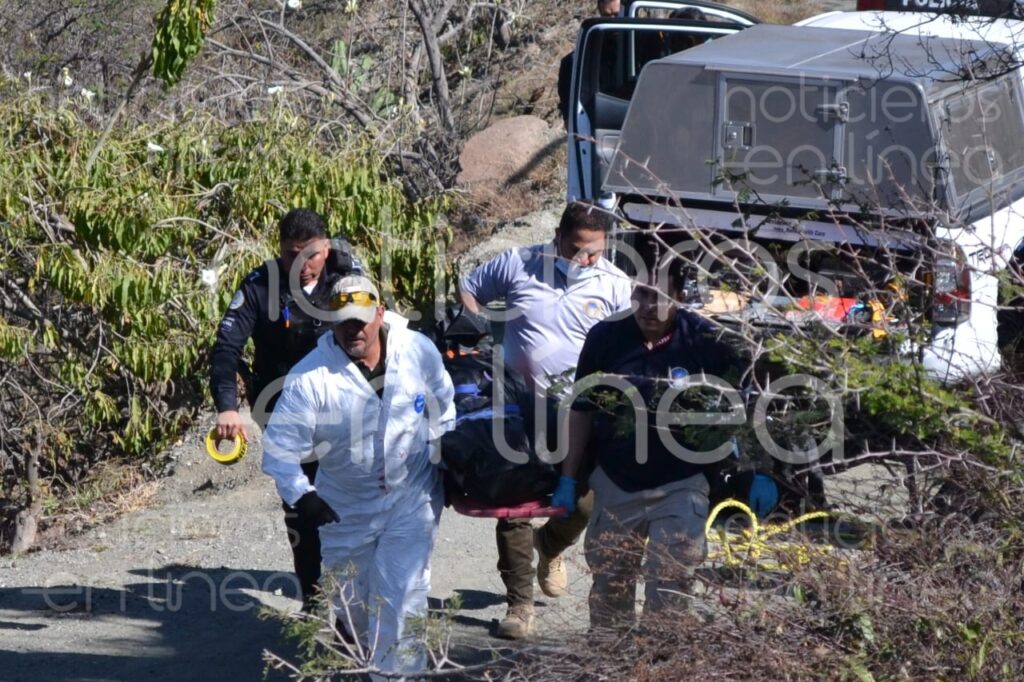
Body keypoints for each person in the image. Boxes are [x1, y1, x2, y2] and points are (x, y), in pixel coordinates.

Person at [261, 275, 455, 675]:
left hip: (411, 495)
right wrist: (302, 495)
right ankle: (369, 664)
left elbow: (444, 406)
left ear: (380, 313)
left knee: (403, 599)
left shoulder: (418, 351)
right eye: (344, 321)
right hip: (345, 507)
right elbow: (280, 449)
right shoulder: (309, 378)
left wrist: (447, 457)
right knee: (355, 610)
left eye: (361, 320)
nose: (354, 330)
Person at [459, 201, 632, 639]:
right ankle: (519, 605)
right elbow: (469, 287)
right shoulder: (519, 263)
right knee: (513, 504)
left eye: (595, 251)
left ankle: (550, 544)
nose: (585, 260)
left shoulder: (615, 285)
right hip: (517, 408)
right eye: (576, 249)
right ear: (557, 238)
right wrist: (476, 335)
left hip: (582, 412)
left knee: (583, 503)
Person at [554, 254, 746, 629]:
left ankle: (660, 658)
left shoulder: (705, 340)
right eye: (640, 294)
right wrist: (567, 476)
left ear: (680, 297)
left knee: (671, 585)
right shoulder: (606, 336)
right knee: (610, 586)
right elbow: (581, 409)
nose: (647, 306)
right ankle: (609, 658)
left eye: (659, 296)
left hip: (682, 480)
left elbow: (736, 406)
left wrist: (747, 468)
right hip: (617, 479)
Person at [209, 207, 363, 609]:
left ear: (326, 249)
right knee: (300, 502)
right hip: (282, 409)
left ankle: (357, 590)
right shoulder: (260, 284)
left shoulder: (347, 278)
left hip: (341, 406)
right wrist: (227, 407)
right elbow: (226, 348)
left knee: (350, 495)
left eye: (311, 255)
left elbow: (378, 332)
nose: (302, 265)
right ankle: (313, 594)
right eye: (291, 255)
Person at [558, 0, 622, 126]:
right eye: (607, 15)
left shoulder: (643, 40)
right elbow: (570, 65)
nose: (613, 20)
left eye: (617, 14)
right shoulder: (596, 42)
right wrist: (568, 116)